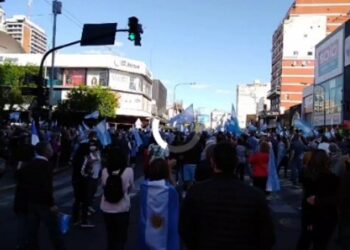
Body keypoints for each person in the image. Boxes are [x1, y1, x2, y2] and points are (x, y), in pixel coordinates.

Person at [180, 142, 275, 250]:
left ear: (212, 162)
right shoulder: (255, 196)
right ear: (236, 162)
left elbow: (185, 229)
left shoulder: (195, 192)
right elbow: (267, 236)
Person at [17, 142, 66, 250]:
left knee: (33, 230)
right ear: (46, 151)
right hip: (44, 203)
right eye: (50, 147)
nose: (52, 149)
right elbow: (46, 187)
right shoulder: (46, 165)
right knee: (53, 229)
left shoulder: (30, 164)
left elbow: (21, 177)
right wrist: (52, 204)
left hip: (31, 202)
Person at [298, 150, 339, 250]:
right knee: (320, 244)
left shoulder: (306, 176)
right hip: (327, 216)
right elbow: (337, 198)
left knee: (305, 239)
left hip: (310, 214)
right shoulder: (333, 179)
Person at [139, 158, 180, 250]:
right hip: (166, 233)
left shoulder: (143, 187)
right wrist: (169, 171)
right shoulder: (171, 191)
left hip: (147, 232)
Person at [100, 147, 134, 250]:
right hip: (122, 208)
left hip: (106, 207)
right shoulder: (128, 170)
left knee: (110, 235)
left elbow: (103, 186)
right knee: (121, 237)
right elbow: (131, 188)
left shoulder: (105, 171)